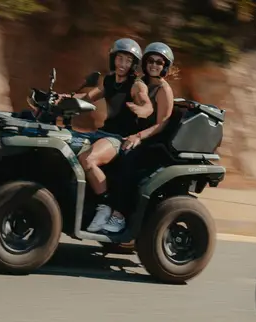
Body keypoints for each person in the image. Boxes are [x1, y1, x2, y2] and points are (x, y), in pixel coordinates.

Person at [64, 38, 154, 232]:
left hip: (117, 139)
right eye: (120, 58)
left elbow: (146, 104)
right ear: (113, 59)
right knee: (66, 146)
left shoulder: (136, 85)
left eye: (128, 60)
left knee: (87, 160)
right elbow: (88, 97)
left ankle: (105, 206)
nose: (123, 64)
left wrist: (143, 110)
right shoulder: (109, 80)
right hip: (101, 133)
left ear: (133, 64)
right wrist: (63, 98)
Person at [100, 42, 177, 234]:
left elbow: (162, 124)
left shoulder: (163, 89)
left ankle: (119, 215)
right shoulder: (142, 82)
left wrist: (138, 136)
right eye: (150, 60)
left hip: (154, 141)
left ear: (165, 66)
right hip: (137, 136)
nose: (154, 65)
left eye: (159, 62)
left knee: (127, 162)